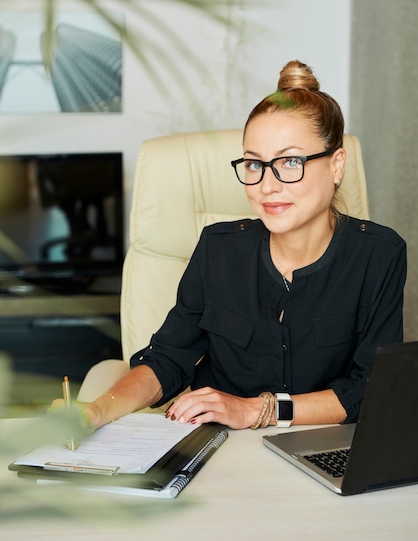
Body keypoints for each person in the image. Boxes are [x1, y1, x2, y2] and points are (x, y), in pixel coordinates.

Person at [69, 60, 407, 431]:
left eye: (290, 161)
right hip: (220, 448)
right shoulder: (219, 249)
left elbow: (368, 387)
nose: (266, 185)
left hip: (324, 449)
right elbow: (166, 359)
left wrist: (256, 410)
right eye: (253, 164)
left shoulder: (379, 255)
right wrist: (96, 412)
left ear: (337, 165)